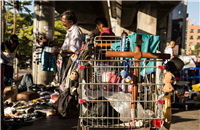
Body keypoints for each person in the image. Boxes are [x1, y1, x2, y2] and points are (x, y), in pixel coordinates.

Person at [49, 10, 83, 91]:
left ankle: (65, 100)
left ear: (71, 21)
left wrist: (59, 52)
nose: (63, 24)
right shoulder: (70, 30)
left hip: (70, 60)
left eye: (64, 22)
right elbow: (68, 46)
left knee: (66, 82)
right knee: (63, 80)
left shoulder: (75, 31)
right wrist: (57, 44)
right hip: (66, 59)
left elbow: (73, 49)